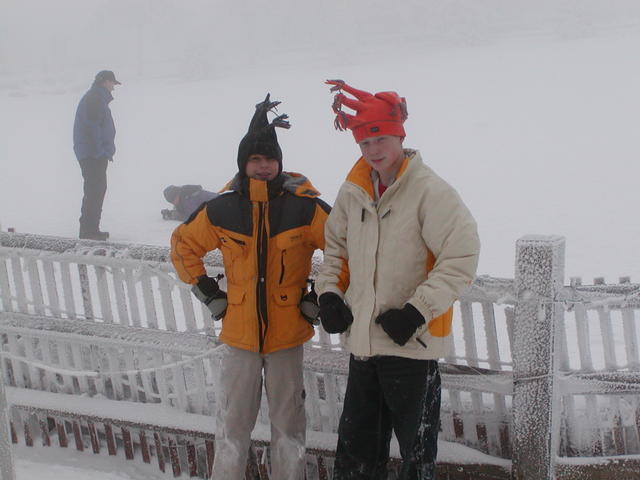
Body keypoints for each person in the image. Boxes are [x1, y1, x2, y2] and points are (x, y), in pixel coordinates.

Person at [316, 80, 481, 479]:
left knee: (415, 457)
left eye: (380, 140)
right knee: (356, 454)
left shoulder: (430, 192)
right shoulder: (353, 192)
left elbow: (460, 257)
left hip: (412, 347)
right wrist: (330, 295)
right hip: (364, 346)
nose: (373, 151)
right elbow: (335, 251)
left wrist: (415, 312)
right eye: (364, 144)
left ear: (399, 137)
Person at [170, 94, 330, 479]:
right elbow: (182, 247)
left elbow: (346, 253)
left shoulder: (306, 208)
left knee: (289, 429)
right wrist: (210, 294)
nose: (263, 167)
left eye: (270, 160)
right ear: (244, 164)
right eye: (255, 160)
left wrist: (318, 298)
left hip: (287, 336)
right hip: (239, 337)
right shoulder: (223, 209)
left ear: (279, 163)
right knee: (232, 428)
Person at [73, 70, 121, 241]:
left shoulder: (97, 98)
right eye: (112, 83)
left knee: (97, 189)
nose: (114, 87)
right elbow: (92, 127)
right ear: (104, 82)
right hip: (92, 154)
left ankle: (92, 228)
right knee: (95, 189)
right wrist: (99, 151)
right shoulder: (94, 98)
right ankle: (88, 230)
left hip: (94, 153)